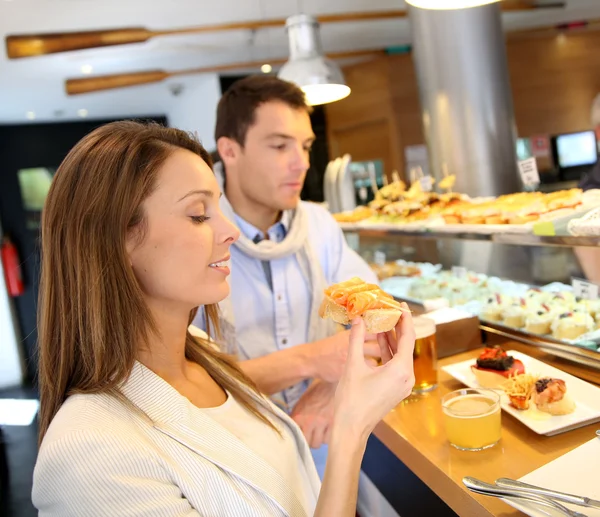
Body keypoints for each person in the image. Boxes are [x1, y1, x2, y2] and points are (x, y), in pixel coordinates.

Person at [31, 121, 416, 516]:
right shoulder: (89, 452)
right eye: (199, 215)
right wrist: (352, 428)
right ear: (118, 238)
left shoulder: (205, 357)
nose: (231, 230)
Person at [192, 75, 379, 477]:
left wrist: (329, 384)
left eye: (306, 145)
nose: (303, 162)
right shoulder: (195, 236)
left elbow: (377, 319)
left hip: (323, 447)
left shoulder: (319, 225)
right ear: (230, 151)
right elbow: (189, 379)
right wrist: (313, 360)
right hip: (235, 458)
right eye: (280, 146)